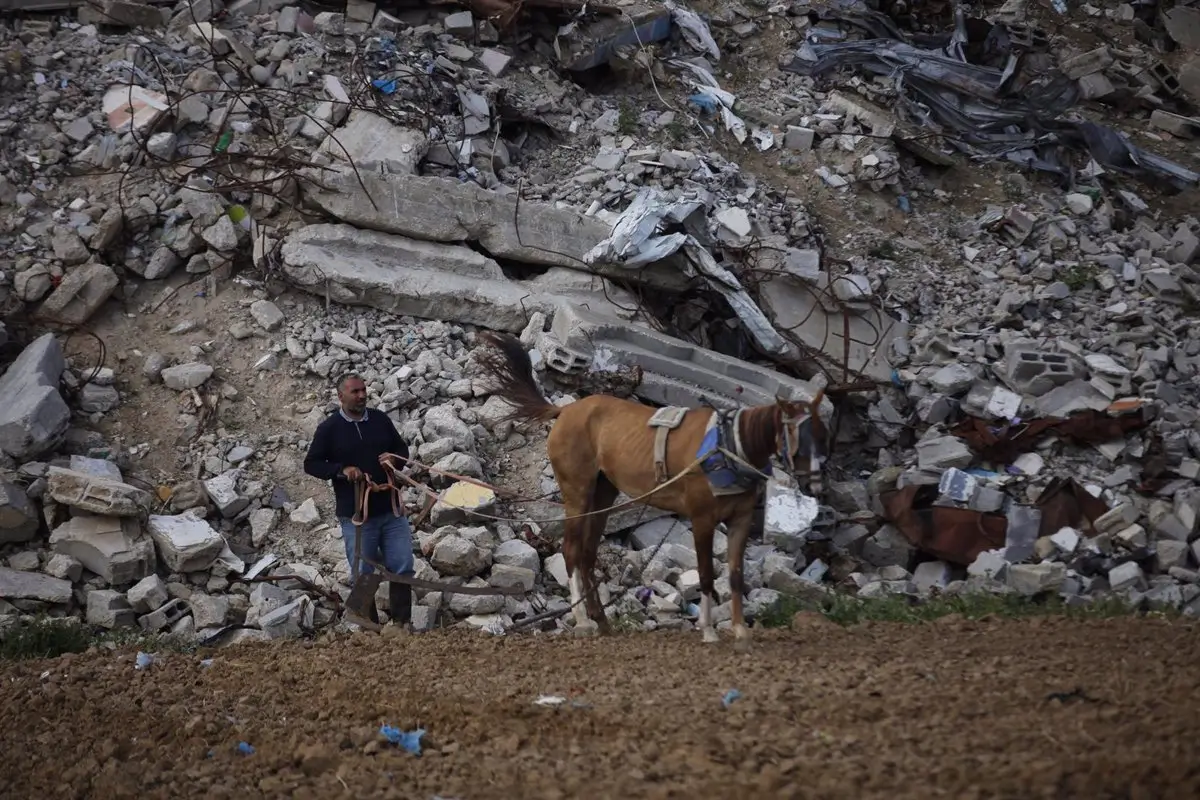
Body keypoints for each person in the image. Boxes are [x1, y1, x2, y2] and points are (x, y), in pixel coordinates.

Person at [303, 373, 414, 629]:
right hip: (357, 515)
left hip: (390, 510)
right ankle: (369, 629)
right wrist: (342, 471)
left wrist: (394, 459)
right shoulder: (329, 429)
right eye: (355, 392)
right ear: (341, 396)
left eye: (363, 390)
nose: (362, 395)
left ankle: (402, 625)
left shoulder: (379, 419)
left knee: (403, 565)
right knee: (363, 572)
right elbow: (312, 464)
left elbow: (402, 451)